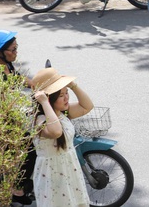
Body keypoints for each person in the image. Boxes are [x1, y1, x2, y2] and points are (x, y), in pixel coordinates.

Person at [31, 67, 94, 206]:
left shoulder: (62, 112)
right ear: (49, 98)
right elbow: (55, 132)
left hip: (70, 171)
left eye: (67, 93)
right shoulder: (39, 120)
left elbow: (87, 106)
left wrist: (73, 86)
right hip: (51, 176)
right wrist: (44, 103)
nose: (66, 98)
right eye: (61, 95)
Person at [0, 30, 35, 205]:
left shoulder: (6, 64)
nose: (16, 53)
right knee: (29, 149)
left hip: (6, 118)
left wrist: (35, 84)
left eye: (17, 48)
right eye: (13, 50)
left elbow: (16, 79)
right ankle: (16, 190)